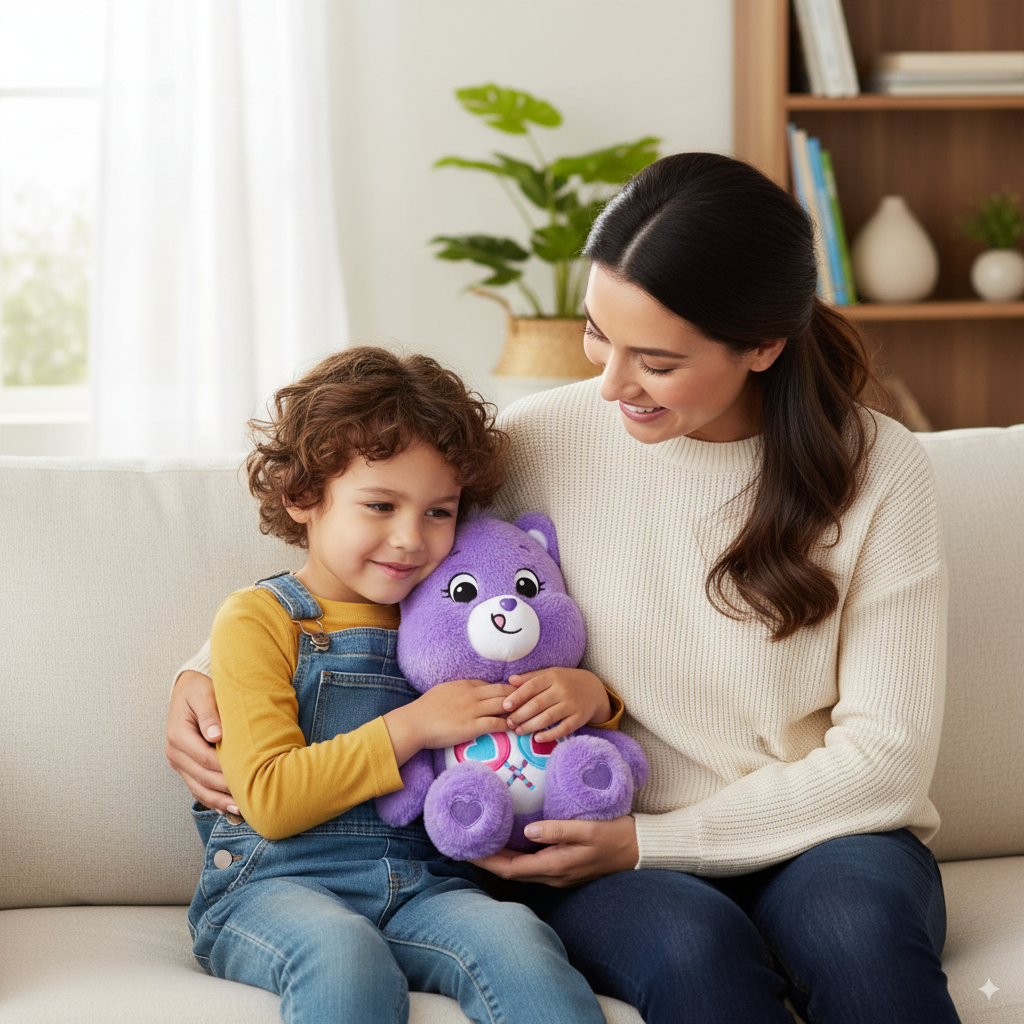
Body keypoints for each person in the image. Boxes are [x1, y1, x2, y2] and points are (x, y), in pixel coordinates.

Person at [168, 154, 961, 1024]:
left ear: (763, 344)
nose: (611, 386)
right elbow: (386, 553)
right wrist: (203, 675)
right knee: (694, 957)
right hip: (585, 823)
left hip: (821, 834)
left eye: (655, 360)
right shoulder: (546, 438)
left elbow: (886, 755)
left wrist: (657, 842)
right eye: (597, 334)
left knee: (858, 932)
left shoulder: (878, 469)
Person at [181, 346, 611, 1024]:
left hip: (421, 883)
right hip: (272, 887)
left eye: (439, 512)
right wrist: (414, 726)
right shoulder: (261, 618)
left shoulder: (447, 618)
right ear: (302, 497)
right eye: (380, 505)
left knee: (518, 939)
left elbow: (518, 709)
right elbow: (268, 798)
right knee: (344, 956)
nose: (411, 539)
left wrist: (592, 697)